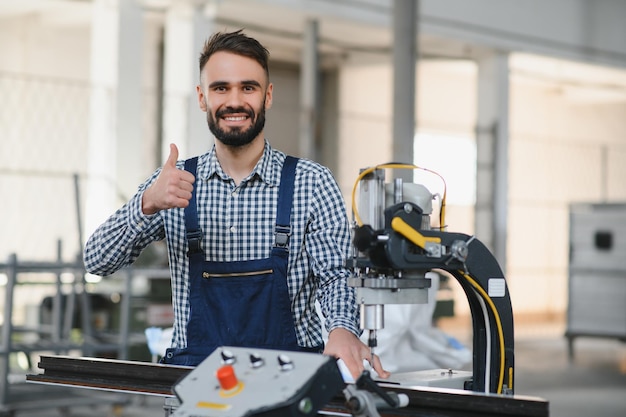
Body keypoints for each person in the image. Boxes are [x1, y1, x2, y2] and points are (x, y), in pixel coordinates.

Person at [83, 29, 389, 381]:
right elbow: (96, 261)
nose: (234, 101)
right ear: (202, 98)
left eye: (248, 87)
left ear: (268, 96)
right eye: (220, 88)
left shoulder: (312, 182)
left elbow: (335, 275)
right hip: (199, 385)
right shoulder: (173, 184)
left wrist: (341, 328)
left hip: (289, 383)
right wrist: (146, 204)